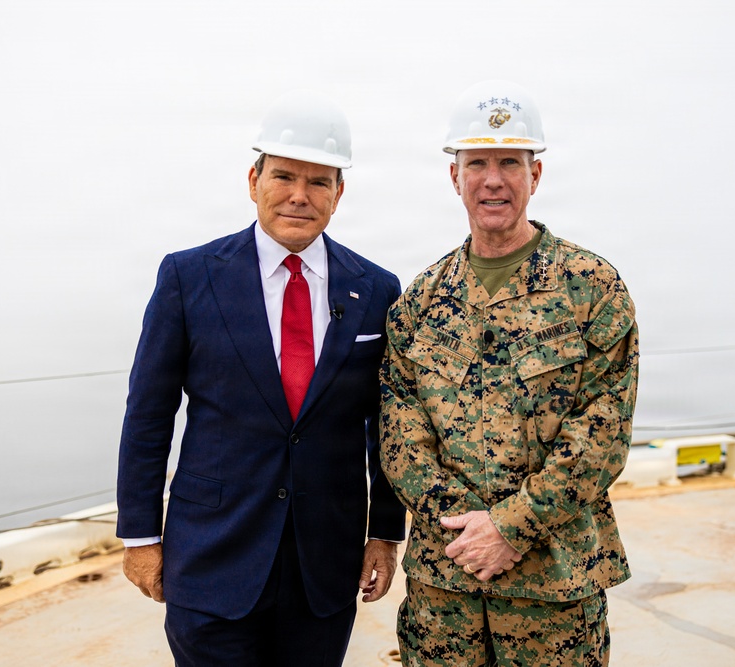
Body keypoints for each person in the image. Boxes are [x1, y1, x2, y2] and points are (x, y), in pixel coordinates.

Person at [116, 90, 406, 667]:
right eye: (283, 176)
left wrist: (384, 531)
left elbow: (387, 426)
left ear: (339, 193)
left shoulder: (376, 290)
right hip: (212, 557)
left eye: (319, 181)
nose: (300, 195)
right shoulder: (188, 276)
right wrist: (141, 537)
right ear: (254, 180)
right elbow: (149, 414)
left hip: (323, 565)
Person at [379, 80, 639, 666]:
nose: (492, 179)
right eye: (477, 163)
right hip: (445, 590)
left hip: (554, 591)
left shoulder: (591, 288)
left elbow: (602, 434)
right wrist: (469, 535)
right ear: (455, 176)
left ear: (535, 175)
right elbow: (399, 437)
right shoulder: (421, 300)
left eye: (509, 163)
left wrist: (511, 526)